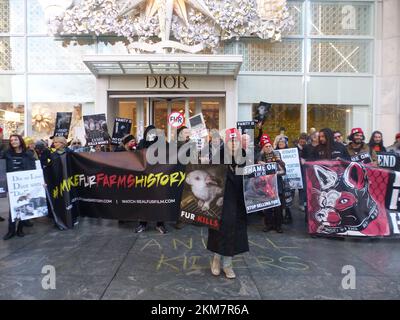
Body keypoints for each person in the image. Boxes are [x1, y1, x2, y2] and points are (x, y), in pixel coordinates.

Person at [207, 128, 249, 279]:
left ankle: (228, 264)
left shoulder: (244, 156)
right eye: (231, 141)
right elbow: (211, 178)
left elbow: (251, 176)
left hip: (238, 201)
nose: (233, 144)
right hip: (221, 201)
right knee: (220, 231)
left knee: (234, 233)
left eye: (235, 141)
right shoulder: (219, 156)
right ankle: (216, 260)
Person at [136, 125, 168, 234]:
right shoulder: (142, 143)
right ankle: (142, 224)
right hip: (144, 177)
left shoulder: (161, 142)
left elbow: (170, 152)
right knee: (144, 201)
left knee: (159, 201)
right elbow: (136, 156)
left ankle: (160, 224)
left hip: (158, 177)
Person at [3, 134, 36, 240]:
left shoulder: (28, 154)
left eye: (15, 139)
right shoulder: (6, 153)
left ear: (20, 140)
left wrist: (39, 181)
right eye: (11, 140)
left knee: (24, 206)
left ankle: (20, 229)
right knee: (12, 208)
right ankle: (11, 231)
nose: (13, 141)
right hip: (12, 184)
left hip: (26, 184)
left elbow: (34, 168)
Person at [257, 134, 286, 233]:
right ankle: (268, 225)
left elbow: (284, 171)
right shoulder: (260, 157)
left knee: (278, 207)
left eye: (270, 146)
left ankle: (278, 225)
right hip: (266, 185)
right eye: (266, 146)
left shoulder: (277, 155)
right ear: (263, 148)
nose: (268, 148)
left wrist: (275, 171)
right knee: (267, 206)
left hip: (277, 184)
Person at [275, 138, 293, 224]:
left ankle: (288, 215)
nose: (281, 143)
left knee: (287, 197)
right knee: (280, 198)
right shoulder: (274, 152)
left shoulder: (290, 151)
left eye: (283, 142)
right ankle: (280, 216)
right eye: (279, 142)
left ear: (286, 143)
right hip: (278, 179)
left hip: (287, 179)